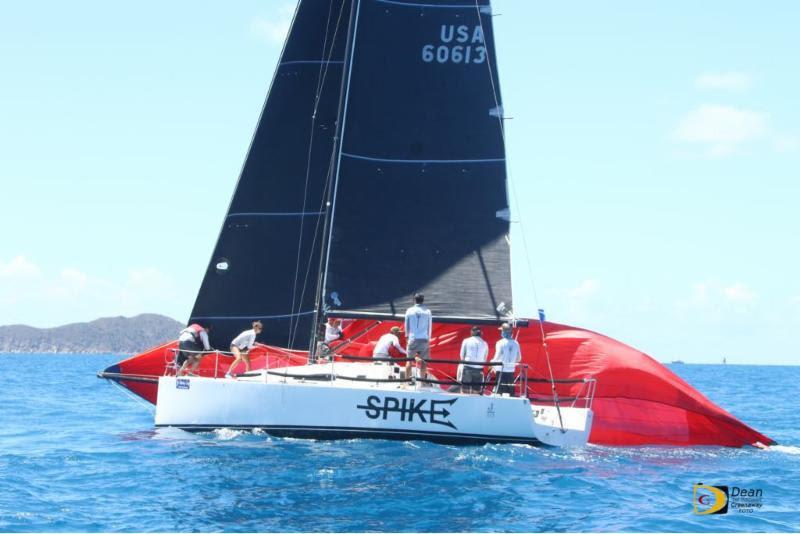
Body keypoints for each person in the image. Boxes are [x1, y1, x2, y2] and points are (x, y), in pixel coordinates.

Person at [404, 293, 432, 380]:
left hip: (412, 339)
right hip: (424, 339)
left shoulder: (409, 310)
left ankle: (406, 381)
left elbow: (406, 325)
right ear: (423, 300)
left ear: (414, 300)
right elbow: (429, 326)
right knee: (424, 362)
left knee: (409, 361)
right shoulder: (427, 311)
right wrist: (429, 338)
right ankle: (422, 382)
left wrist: (406, 336)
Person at [489, 322, 521, 396]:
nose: (501, 332)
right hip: (511, 372)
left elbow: (496, 357)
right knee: (510, 394)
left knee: (499, 393)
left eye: (502, 331)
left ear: (504, 332)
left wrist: (491, 364)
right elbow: (519, 358)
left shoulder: (500, 343)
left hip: (501, 371)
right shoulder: (516, 343)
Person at [458, 326, 488, 394]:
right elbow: (485, 358)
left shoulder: (466, 340)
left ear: (472, 332)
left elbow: (462, 355)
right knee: (476, 392)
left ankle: (464, 403)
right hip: (479, 369)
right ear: (481, 333)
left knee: (465, 391)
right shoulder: (485, 343)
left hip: (468, 367)